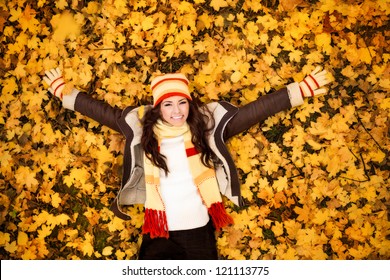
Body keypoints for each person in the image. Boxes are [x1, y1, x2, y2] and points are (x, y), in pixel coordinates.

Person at [43, 66, 331, 259]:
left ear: (190, 104)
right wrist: (62, 91)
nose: (176, 110)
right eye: (168, 104)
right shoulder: (140, 128)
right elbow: (100, 111)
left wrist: (298, 91)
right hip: (159, 231)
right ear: (158, 108)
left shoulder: (204, 127)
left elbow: (251, 113)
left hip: (199, 231)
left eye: (182, 102)